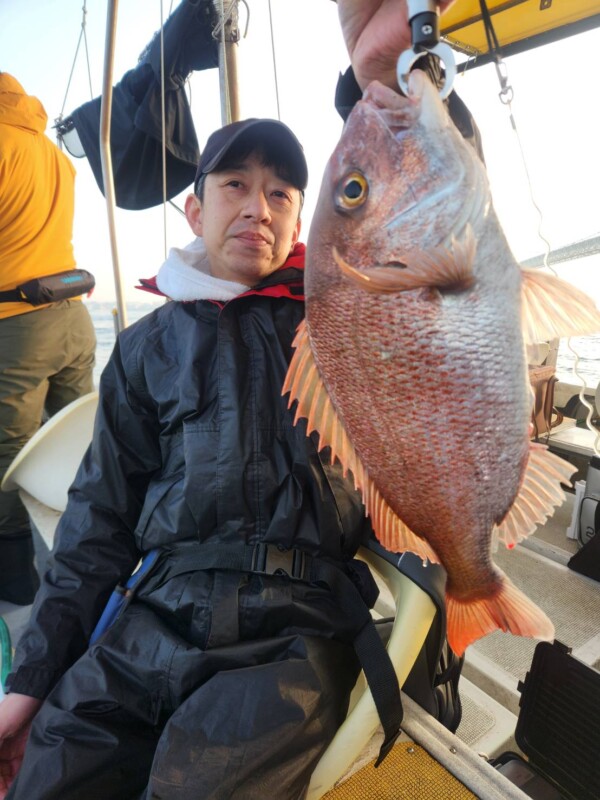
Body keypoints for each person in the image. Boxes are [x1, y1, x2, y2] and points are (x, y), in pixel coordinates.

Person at [0, 2, 468, 798]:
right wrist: (30, 682)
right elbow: (97, 523)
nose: (259, 205)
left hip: (293, 635)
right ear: (195, 206)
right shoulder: (147, 346)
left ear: (300, 219)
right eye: (235, 185)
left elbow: (436, 232)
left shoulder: (345, 314)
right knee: (48, 774)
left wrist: (401, 84)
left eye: (284, 192)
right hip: (153, 618)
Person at [0, 73, 96, 607]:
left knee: (6, 454)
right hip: (72, 317)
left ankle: (16, 584)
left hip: (17, 327)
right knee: (83, 450)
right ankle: (96, 563)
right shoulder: (52, 153)